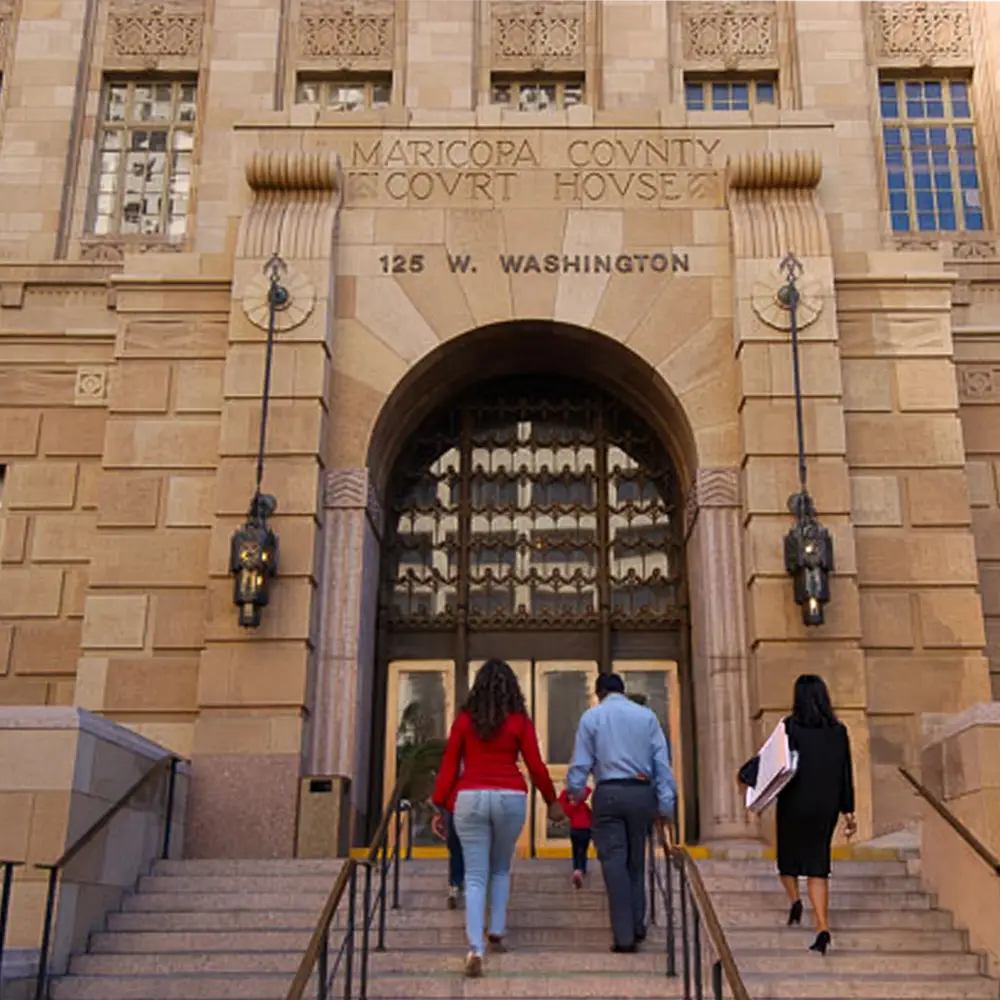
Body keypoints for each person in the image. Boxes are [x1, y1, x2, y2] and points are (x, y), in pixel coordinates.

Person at [432, 658, 563, 978]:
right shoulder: (519, 721)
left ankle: (475, 948)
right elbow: (535, 765)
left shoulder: (465, 720)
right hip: (510, 796)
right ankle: (497, 932)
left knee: (475, 876)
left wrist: (438, 803)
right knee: (501, 868)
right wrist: (552, 801)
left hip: (470, 796)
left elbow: (450, 763)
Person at [566, 672, 676, 954]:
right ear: (623, 691)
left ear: (599, 692)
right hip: (641, 792)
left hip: (609, 793)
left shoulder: (592, 717)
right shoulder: (647, 717)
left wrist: (575, 791)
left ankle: (624, 934)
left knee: (614, 862)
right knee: (636, 860)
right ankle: (638, 924)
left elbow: (581, 762)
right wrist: (665, 803)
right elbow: (661, 762)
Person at [775, 674, 857, 956]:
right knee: (817, 865)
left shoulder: (790, 727)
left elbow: (773, 761)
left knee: (788, 859)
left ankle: (795, 900)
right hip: (826, 804)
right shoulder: (838, 730)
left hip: (794, 801)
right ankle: (822, 927)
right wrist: (849, 810)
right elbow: (846, 772)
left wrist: (749, 780)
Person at [557, 783, 592, 889]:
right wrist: (576, 787)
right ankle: (582, 869)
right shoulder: (582, 803)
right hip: (586, 829)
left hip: (575, 830)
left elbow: (561, 802)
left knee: (576, 850)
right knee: (583, 849)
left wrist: (568, 791)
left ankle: (577, 869)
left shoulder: (568, 807)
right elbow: (588, 789)